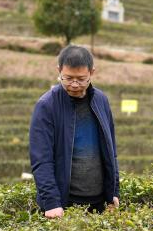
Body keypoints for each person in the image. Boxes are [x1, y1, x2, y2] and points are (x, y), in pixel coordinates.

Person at [29, 45, 120, 217]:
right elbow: (41, 160)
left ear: (92, 73)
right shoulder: (47, 106)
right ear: (59, 71)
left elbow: (111, 151)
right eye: (68, 78)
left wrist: (114, 191)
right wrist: (52, 203)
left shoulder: (101, 100)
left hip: (99, 203)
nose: (75, 84)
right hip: (63, 205)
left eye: (81, 79)